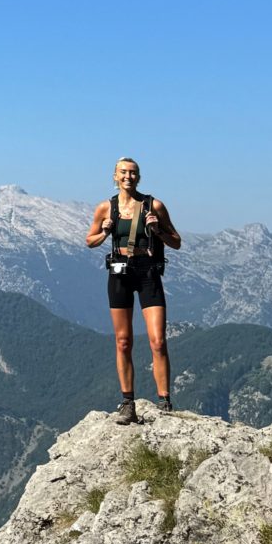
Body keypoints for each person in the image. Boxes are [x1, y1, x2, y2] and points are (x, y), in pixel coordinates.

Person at [85, 157, 182, 425]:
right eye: (124, 173)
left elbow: (176, 242)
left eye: (133, 173)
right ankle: (128, 403)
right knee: (123, 341)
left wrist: (158, 230)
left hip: (147, 271)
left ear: (139, 177)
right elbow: (90, 241)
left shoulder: (154, 206)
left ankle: (164, 402)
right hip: (120, 271)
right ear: (115, 176)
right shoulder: (106, 208)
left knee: (158, 340)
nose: (129, 176)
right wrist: (104, 233)